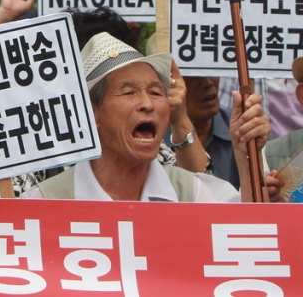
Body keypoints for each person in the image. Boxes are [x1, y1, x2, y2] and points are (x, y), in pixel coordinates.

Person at [24, 32, 266, 202]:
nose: (147, 104)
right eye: (129, 92)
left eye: (155, 92)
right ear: (92, 112)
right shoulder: (46, 202)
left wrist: (247, 158)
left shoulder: (192, 194)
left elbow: (250, 234)